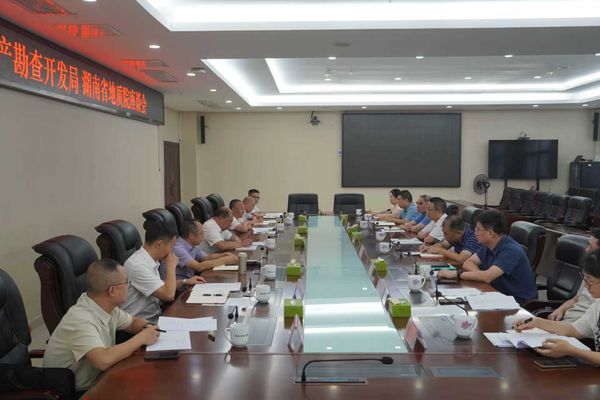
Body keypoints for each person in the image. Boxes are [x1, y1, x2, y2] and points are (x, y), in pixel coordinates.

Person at [43, 259, 160, 392]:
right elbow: (103, 360)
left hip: (100, 379)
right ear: (112, 291)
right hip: (75, 391)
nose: (129, 286)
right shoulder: (80, 319)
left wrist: (150, 327)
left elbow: (133, 323)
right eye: (126, 282)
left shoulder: (106, 306)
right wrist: (142, 338)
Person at [513, 248, 600, 366]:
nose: (585, 286)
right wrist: (537, 322)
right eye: (584, 280)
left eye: (590, 281)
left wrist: (572, 350)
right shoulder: (597, 305)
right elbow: (573, 330)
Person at [438, 210, 537, 302]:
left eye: (478, 230)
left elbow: (488, 276)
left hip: (519, 302)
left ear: (490, 233)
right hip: (495, 292)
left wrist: (456, 274)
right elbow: (468, 262)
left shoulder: (511, 250)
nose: (475, 233)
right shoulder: (488, 245)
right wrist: (480, 275)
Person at [122, 221, 204, 323]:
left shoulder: (149, 260)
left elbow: (160, 285)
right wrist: (171, 266)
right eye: (172, 246)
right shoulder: (137, 265)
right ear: (160, 244)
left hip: (155, 317)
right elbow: (168, 295)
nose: (172, 251)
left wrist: (185, 281)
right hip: (139, 325)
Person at [547, 229, 600, 322]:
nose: (586, 249)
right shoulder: (590, 272)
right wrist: (561, 310)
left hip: (577, 327)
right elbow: (576, 299)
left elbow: (582, 327)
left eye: (591, 247)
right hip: (566, 322)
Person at [169, 219, 238, 280]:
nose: (204, 236)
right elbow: (198, 266)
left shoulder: (192, 244)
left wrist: (224, 254)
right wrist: (225, 260)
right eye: (201, 233)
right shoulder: (178, 248)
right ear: (191, 236)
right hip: (179, 287)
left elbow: (207, 257)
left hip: (190, 281)